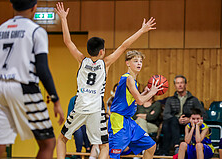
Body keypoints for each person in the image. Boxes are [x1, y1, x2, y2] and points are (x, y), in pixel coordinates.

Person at [55, 2, 157, 159]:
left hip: (80, 108)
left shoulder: (82, 61)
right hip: (96, 110)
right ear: (102, 51)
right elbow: (124, 46)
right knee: (104, 146)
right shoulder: (105, 63)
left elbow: (68, 42)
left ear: (89, 50)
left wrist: (63, 19)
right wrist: (142, 30)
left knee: (62, 139)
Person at [0, 0, 65, 159]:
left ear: (11, 6)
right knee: (48, 143)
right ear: (34, 7)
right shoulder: (36, 31)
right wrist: (55, 99)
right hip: (23, 86)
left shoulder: (0, 29)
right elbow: (42, 69)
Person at [108, 50, 163, 159]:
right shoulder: (128, 78)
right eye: (135, 61)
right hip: (118, 121)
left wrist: (144, 93)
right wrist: (152, 92)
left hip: (128, 121)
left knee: (151, 146)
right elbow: (140, 101)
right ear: (127, 63)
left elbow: (132, 100)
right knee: (114, 155)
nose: (139, 63)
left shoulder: (134, 81)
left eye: (140, 61)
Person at [160, 75, 207, 155]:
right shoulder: (170, 100)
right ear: (175, 86)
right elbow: (165, 115)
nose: (180, 85)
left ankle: (164, 152)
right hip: (174, 124)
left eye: (182, 83)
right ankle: (175, 146)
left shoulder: (193, 99)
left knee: (168, 126)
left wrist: (190, 119)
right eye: (177, 83)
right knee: (170, 122)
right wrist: (178, 119)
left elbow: (204, 114)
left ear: (185, 84)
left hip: (189, 125)